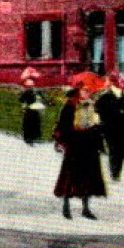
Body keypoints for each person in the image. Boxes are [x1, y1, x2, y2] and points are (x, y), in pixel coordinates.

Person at [53, 86, 106, 219]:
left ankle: (85, 208)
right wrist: (62, 140)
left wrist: (98, 130)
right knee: (70, 175)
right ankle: (66, 206)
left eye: (89, 91)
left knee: (88, 177)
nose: (88, 93)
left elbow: (99, 125)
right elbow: (62, 124)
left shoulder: (94, 105)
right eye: (85, 90)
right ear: (79, 91)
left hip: (89, 145)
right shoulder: (70, 106)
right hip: (75, 144)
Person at [94, 70, 124, 180]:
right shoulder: (104, 98)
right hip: (110, 128)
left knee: (121, 150)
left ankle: (116, 171)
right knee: (113, 149)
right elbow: (98, 112)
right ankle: (115, 172)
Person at [18, 69, 47, 146]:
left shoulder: (27, 91)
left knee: (28, 123)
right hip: (36, 109)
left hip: (30, 109)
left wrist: (23, 107)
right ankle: (35, 137)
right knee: (35, 123)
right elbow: (44, 98)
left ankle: (29, 138)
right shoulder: (38, 90)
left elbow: (21, 100)